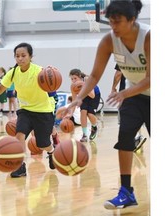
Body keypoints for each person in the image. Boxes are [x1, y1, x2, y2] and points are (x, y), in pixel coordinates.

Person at [62, 0, 150, 210]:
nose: (114, 27)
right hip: (134, 96)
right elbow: (93, 75)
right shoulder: (109, 41)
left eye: (118, 22)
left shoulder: (149, 37)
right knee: (125, 137)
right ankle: (126, 191)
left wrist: (125, 92)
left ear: (132, 20)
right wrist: (78, 99)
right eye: (111, 22)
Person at [0, 42, 56, 178]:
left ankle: (52, 151)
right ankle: (20, 166)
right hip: (25, 110)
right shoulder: (12, 73)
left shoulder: (39, 71)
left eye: (23, 55)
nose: (20, 58)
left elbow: (52, 84)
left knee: (42, 144)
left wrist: (51, 73)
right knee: (19, 136)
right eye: (17, 56)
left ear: (30, 56)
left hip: (43, 110)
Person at [111, 64, 147, 153]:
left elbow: (117, 75)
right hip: (142, 90)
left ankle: (134, 138)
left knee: (126, 117)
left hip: (127, 92)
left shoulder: (123, 56)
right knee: (137, 114)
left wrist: (113, 87)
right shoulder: (144, 56)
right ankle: (137, 136)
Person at [69, 69, 101, 142]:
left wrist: (83, 87)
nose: (73, 81)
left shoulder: (87, 79)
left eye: (75, 78)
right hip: (84, 96)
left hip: (94, 95)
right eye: (72, 79)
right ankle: (84, 135)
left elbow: (92, 95)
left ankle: (94, 127)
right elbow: (74, 101)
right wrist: (70, 113)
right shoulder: (73, 86)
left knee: (90, 114)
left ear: (80, 77)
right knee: (83, 112)